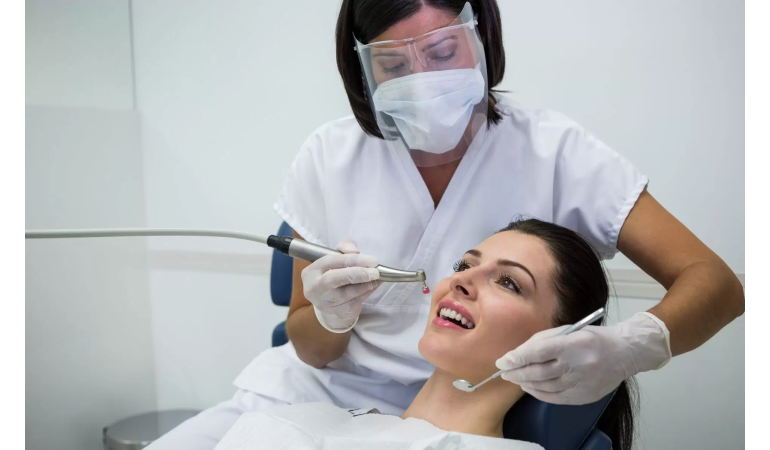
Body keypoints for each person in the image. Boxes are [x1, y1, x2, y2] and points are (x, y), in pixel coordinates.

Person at [148, 1, 743, 448]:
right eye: (391, 63)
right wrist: (332, 316)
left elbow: (714, 282)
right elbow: (308, 345)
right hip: (312, 402)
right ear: (361, 69)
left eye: (440, 53)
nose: (421, 79)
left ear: (481, 36)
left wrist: (631, 347)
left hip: (457, 418)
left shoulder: (555, 153)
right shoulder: (330, 157)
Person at [212, 219, 637, 450]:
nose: (463, 281)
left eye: (508, 282)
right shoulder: (324, 419)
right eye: (464, 265)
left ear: (559, 342)